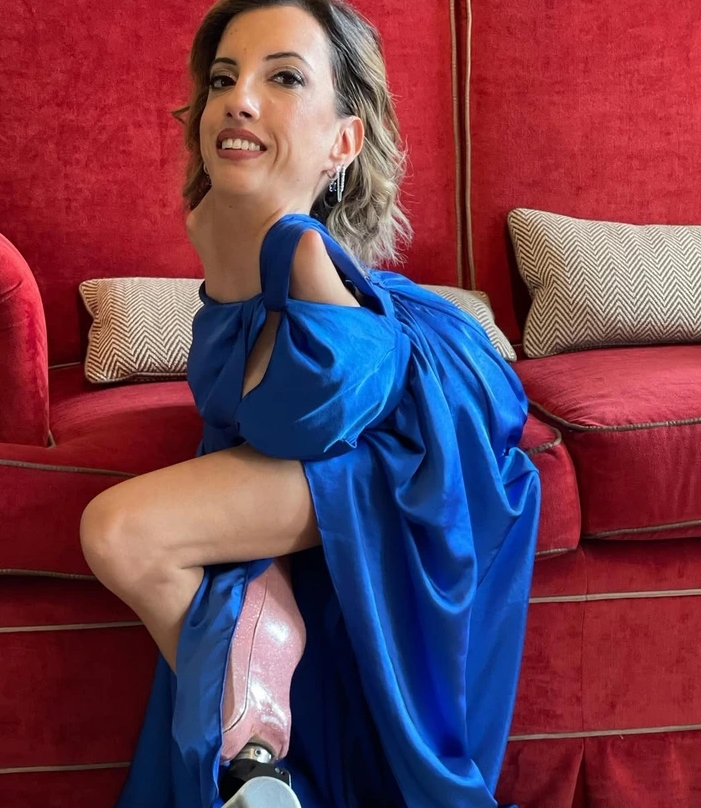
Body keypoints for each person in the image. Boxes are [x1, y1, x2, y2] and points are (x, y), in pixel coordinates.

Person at [79, 1, 541, 806]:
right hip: (340, 421)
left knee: (122, 530)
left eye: (284, 78)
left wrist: (279, 244)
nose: (238, 99)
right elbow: (237, 411)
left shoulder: (303, 252)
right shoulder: (227, 231)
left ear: (343, 142)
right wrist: (232, 262)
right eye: (223, 79)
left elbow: (302, 421)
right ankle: (256, 750)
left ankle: (255, 739)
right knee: (128, 530)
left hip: (423, 456)